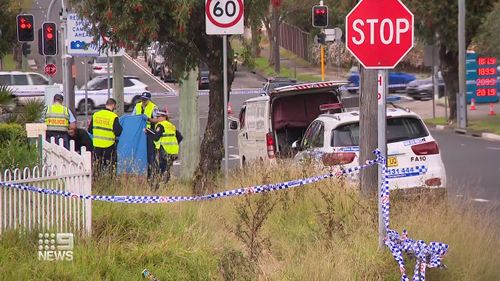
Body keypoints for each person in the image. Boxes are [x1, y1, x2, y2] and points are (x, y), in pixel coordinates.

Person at [146, 108, 182, 189]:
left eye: (158, 116)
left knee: (158, 169)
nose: (157, 118)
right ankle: (165, 186)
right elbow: (179, 137)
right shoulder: (171, 125)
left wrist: (148, 132)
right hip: (173, 151)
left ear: (163, 117)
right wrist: (173, 145)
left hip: (164, 151)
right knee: (166, 169)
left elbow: (156, 137)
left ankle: (156, 188)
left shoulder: (160, 125)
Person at [88, 98, 122, 175]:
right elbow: (118, 132)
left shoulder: (96, 115)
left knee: (97, 167)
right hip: (109, 146)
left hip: (96, 145)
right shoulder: (113, 116)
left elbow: (90, 130)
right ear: (113, 105)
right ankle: (110, 183)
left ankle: (97, 182)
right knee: (111, 168)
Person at [132, 92, 160, 179]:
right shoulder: (137, 106)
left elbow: (157, 120)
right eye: (142, 99)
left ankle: (152, 174)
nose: (143, 101)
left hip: (149, 133)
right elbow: (132, 117)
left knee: (150, 154)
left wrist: (148, 119)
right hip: (139, 133)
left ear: (149, 99)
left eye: (145, 99)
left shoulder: (153, 107)